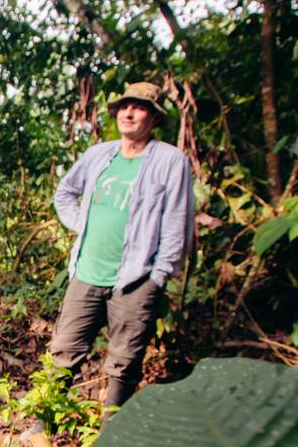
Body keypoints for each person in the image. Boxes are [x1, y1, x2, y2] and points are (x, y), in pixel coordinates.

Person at [49, 79, 195, 409]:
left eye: (139, 108)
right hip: (86, 272)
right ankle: (45, 422)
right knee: (64, 350)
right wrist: (81, 224)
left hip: (135, 279)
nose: (129, 114)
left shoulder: (171, 161)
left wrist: (158, 277)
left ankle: (109, 432)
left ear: (154, 118)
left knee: (124, 361)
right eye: (125, 107)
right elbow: (65, 193)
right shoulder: (98, 155)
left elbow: (177, 223)